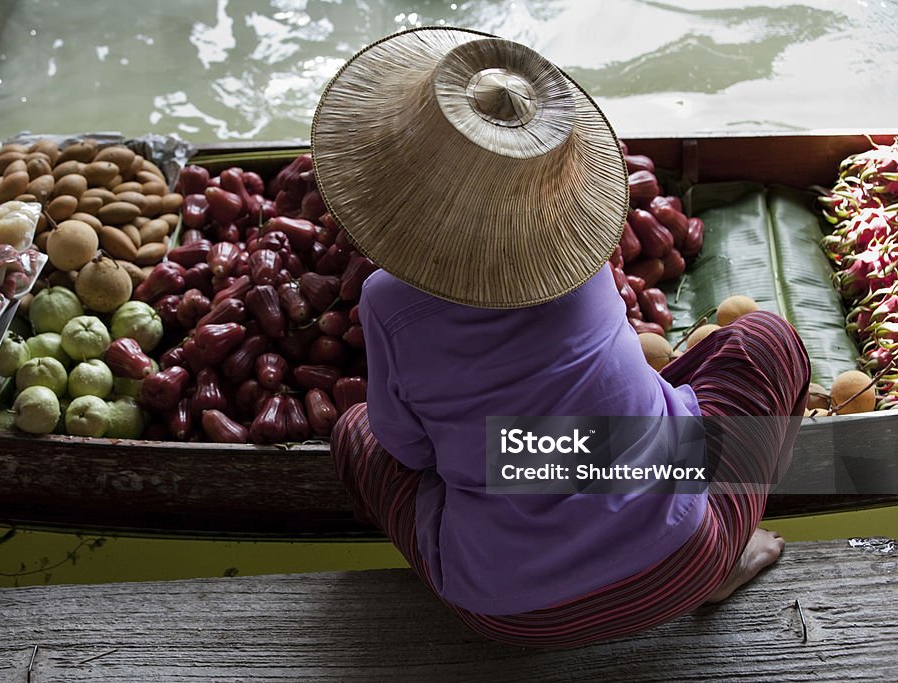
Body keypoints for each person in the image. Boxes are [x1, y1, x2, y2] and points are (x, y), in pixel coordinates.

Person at [311, 27, 810, 648]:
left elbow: (409, 452)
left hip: (506, 613)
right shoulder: (580, 255)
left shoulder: (387, 299)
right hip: (687, 562)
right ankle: (733, 546)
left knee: (356, 432)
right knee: (766, 339)